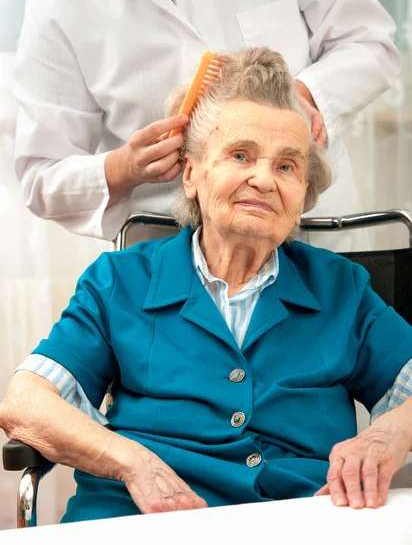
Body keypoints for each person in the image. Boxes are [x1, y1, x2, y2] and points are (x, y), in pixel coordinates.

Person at [2, 48, 412, 523]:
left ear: (303, 194)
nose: (264, 179)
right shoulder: (121, 282)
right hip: (140, 520)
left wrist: (393, 432)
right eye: (241, 155)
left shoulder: (341, 287)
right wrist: (132, 462)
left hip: (296, 520)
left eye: (287, 166)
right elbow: (25, 402)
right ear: (193, 174)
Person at [13, 0, 399, 251]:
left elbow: (369, 41)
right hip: (171, 253)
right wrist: (124, 167)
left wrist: (299, 98)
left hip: (314, 231)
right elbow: (41, 177)